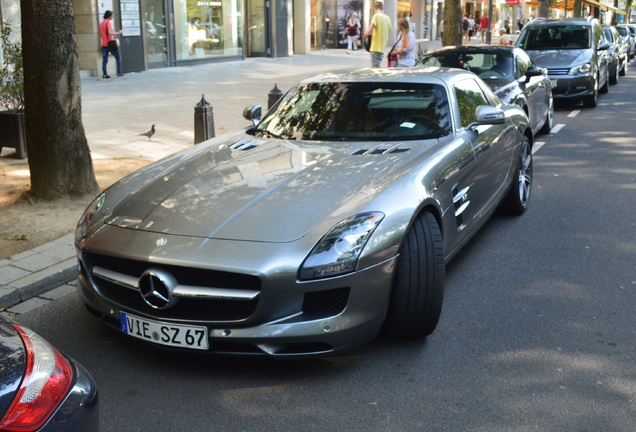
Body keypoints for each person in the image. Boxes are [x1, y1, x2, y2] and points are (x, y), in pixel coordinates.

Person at [364, 2, 392, 67]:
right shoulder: (387, 18)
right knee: (377, 65)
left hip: (375, 47)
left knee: (375, 68)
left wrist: (366, 33)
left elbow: (369, 31)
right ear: (382, 8)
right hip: (382, 48)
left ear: (374, 8)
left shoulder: (376, 16)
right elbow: (388, 30)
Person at [100, 10, 123, 79]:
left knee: (105, 60)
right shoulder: (108, 23)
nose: (112, 17)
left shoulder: (101, 24)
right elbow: (110, 33)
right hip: (110, 43)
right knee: (118, 57)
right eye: (112, 15)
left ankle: (104, 74)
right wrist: (118, 33)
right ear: (109, 16)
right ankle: (119, 72)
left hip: (104, 44)